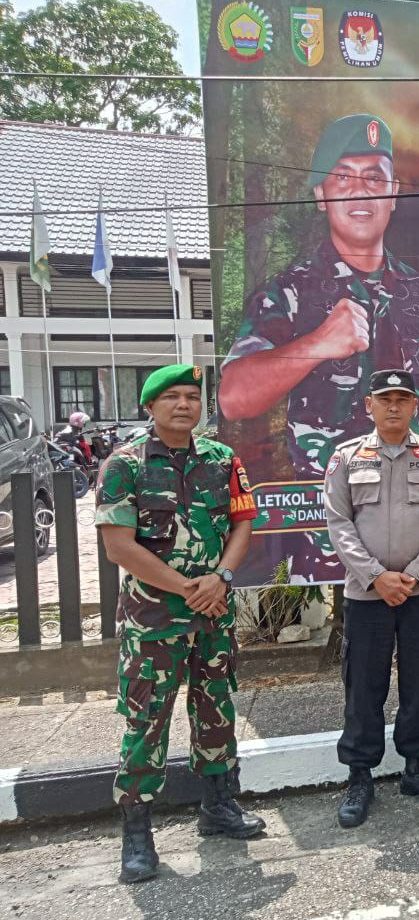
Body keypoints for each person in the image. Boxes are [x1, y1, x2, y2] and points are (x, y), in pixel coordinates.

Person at [218, 113, 419, 580]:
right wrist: (317, 343)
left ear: (394, 193)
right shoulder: (289, 293)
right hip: (329, 549)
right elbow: (234, 398)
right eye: (343, 177)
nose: (360, 192)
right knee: (347, 631)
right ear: (321, 195)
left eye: (374, 178)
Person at [96, 364, 264, 884]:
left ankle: (218, 806)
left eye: (192, 396)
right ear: (150, 406)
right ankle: (137, 832)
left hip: (213, 616)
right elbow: (119, 546)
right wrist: (189, 587)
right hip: (154, 620)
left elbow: (243, 523)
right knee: (147, 720)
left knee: (216, 709)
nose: (184, 405)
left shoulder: (222, 459)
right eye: (172, 397)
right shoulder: (124, 465)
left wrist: (222, 577)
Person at [324, 368, 419, 827]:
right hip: (367, 595)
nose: (393, 407)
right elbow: (339, 524)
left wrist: (416, 576)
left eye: (402, 399)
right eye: (384, 399)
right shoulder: (346, 458)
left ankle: (416, 768)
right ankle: (359, 776)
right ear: (369, 405)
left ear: (413, 407)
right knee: (363, 685)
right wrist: (376, 577)